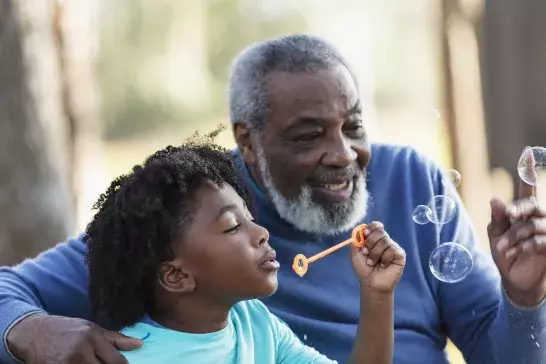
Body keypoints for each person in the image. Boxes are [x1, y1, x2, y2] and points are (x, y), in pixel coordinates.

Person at [0, 34, 545, 364]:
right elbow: (10, 288)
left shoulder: (411, 180)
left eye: (353, 126)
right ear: (248, 141)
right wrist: (28, 331)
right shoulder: (186, 214)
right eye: (308, 135)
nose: (343, 155)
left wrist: (525, 299)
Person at [83, 141, 405, 364]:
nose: (261, 233)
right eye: (232, 227)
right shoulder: (133, 357)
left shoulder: (254, 323)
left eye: (250, 218)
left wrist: (377, 294)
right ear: (177, 275)